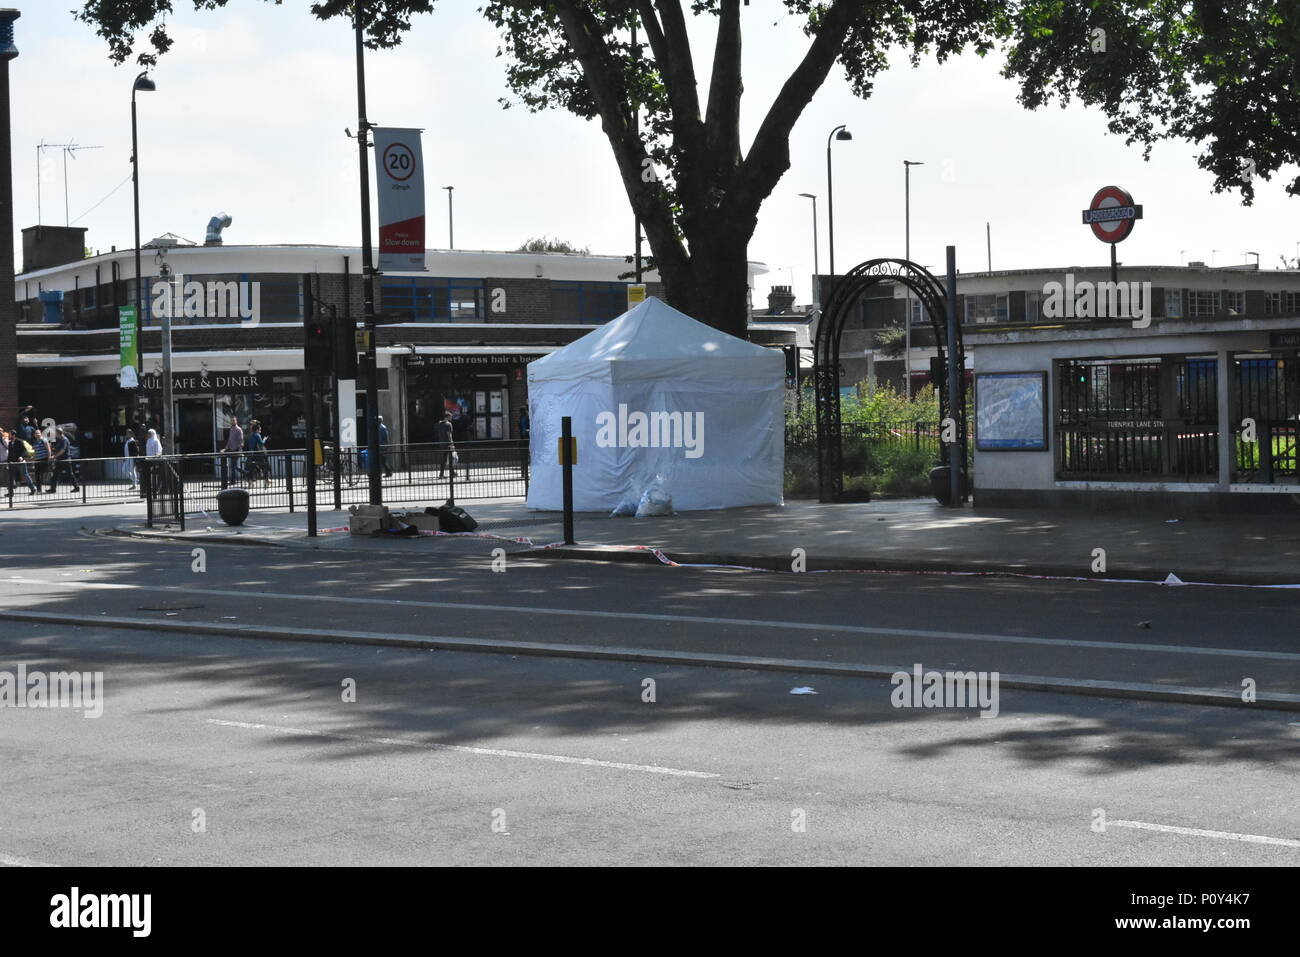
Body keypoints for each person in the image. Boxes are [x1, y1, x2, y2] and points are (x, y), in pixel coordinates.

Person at [46, 428, 80, 494]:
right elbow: (58, 449)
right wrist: (52, 449)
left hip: (65, 460)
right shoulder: (59, 440)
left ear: (58, 433)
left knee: (70, 474)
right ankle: (53, 489)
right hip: (59, 461)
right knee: (55, 475)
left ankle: (76, 487)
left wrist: (54, 457)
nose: (55, 434)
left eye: (55, 433)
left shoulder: (64, 440)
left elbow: (63, 450)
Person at [5, 430, 37, 494]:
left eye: (10, 435)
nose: (9, 436)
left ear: (13, 435)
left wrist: (22, 457)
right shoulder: (10, 443)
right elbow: (10, 454)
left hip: (21, 462)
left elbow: (24, 451)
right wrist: (8, 463)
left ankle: (33, 489)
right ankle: (10, 493)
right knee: (11, 476)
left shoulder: (19, 441)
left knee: (25, 475)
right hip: (13, 463)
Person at [245, 421, 271, 487]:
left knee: (250, 468)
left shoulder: (250, 435)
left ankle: (250, 483)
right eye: (260, 429)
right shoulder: (257, 435)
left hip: (251, 454)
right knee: (264, 466)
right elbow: (261, 443)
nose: (260, 431)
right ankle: (266, 481)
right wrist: (264, 439)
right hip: (258, 455)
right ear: (257, 430)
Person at [435, 411, 456, 478]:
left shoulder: (440, 424)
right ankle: (452, 473)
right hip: (447, 444)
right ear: (447, 417)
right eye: (451, 417)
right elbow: (449, 435)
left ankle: (443, 474)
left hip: (441, 443)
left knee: (444, 459)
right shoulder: (448, 424)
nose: (451, 418)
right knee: (451, 458)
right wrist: (452, 443)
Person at [224, 418, 244, 484]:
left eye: (234, 420)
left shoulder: (239, 429)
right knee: (233, 466)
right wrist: (226, 448)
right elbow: (229, 440)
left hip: (236, 450)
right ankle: (246, 473)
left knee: (233, 466)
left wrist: (240, 450)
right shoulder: (231, 429)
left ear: (236, 421)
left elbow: (241, 440)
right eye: (231, 421)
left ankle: (233, 480)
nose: (232, 422)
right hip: (231, 450)